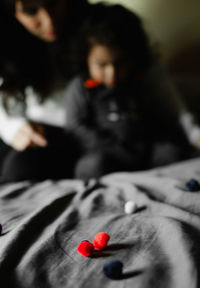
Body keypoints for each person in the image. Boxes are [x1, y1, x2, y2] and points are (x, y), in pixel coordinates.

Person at [65, 5, 200, 180]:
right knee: (91, 167)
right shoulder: (82, 87)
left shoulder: (138, 82)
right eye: (102, 64)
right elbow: (75, 126)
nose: (111, 73)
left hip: (146, 149)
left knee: (171, 152)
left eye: (120, 63)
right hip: (107, 153)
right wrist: (108, 144)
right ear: (86, 59)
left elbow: (158, 115)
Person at [0, 0, 101, 181]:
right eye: (31, 11)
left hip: (83, 134)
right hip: (32, 131)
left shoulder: (98, 26)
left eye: (53, 3)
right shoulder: (7, 43)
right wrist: (12, 128)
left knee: (19, 169)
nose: (49, 21)